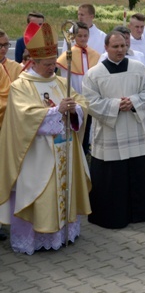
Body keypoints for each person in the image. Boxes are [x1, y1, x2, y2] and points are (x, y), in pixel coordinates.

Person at [0, 22, 91, 254]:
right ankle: (35, 238)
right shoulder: (21, 86)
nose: (53, 67)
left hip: (64, 149)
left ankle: (62, 234)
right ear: (34, 62)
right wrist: (55, 111)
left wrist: (75, 110)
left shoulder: (61, 82)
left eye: (54, 63)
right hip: (37, 155)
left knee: (63, 189)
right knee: (41, 193)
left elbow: (80, 103)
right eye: (49, 64)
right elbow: (24, 116)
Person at [83, 32, 145, 229]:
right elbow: (90, 102)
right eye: (115, 47)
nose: (120, 50)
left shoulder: (138, 68)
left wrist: (134, 101)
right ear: (106, 48)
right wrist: (115, 105)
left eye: (123, 46)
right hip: (110, 131)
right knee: (112, 176)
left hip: (134, 129)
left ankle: (144, 211)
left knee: (139, 169)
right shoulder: (94, 74)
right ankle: (111, 214)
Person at [57, 21, 101, 155]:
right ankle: (77, 151)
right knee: (77, 127)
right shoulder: (67, 55)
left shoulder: (94, 54)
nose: (83, 38)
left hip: (90, 97)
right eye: (80, 36)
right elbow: (66, 80)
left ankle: (86, 150)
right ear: (74, 37)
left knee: (89, 128)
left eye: (85, 36)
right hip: (76, 96)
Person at [0, 29, 24, 241]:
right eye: (0, 45)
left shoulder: (14, 67)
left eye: (6, 45)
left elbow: (22, 93)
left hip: (9, 132)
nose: (4, 49)